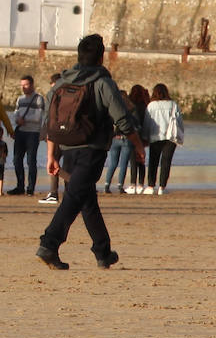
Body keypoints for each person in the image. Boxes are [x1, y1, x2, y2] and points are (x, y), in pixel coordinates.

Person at [35, 34, 145, 270]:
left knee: (86, 199)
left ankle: (103, 251)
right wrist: (137, 144)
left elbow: (50, 122)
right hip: (92, 148)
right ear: (101, 56)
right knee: (76, 196)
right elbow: (121, 117)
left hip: (66, 146)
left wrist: (51, 154)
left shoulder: (62, 82)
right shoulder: (102, 82)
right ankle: (49, 243)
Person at [144, 83, 184, 195]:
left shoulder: (151, 106)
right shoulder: (173, 105)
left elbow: (147, 122)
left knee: (153, 161)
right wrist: (180, 136)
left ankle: (151, 186)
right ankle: (162, 187)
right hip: (170, 137)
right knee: (166, 162)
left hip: (155, 136)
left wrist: (144, 136)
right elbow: (179, 121)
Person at [8, 75, 44, 196]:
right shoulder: (20, 99)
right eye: (22, 85)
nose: (23, 87)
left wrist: (25, 120)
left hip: (32, 133)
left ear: (32, 85)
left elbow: (38, 117)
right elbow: (15, 113)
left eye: (26, 85)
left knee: (31, 160)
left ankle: (30, 188)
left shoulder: (39, 99)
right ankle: (20, 186)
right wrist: (17, 120)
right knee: (17, 160)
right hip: (20, 131)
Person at [39, 72, 64, 204]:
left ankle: (53, 193)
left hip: (55, 133)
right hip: (70, 133)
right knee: (68, 163)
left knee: (53, 161)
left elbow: (50, 117)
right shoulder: (69, 95)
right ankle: (74, 189)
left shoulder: (53, 95)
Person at [123, 85, 151, 194]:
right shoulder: (145, 105)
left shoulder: (130, 105)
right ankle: (140, 184)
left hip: (132, 133)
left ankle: (132, 184)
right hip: (142, 134)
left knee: (133, 159)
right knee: (141, 159)